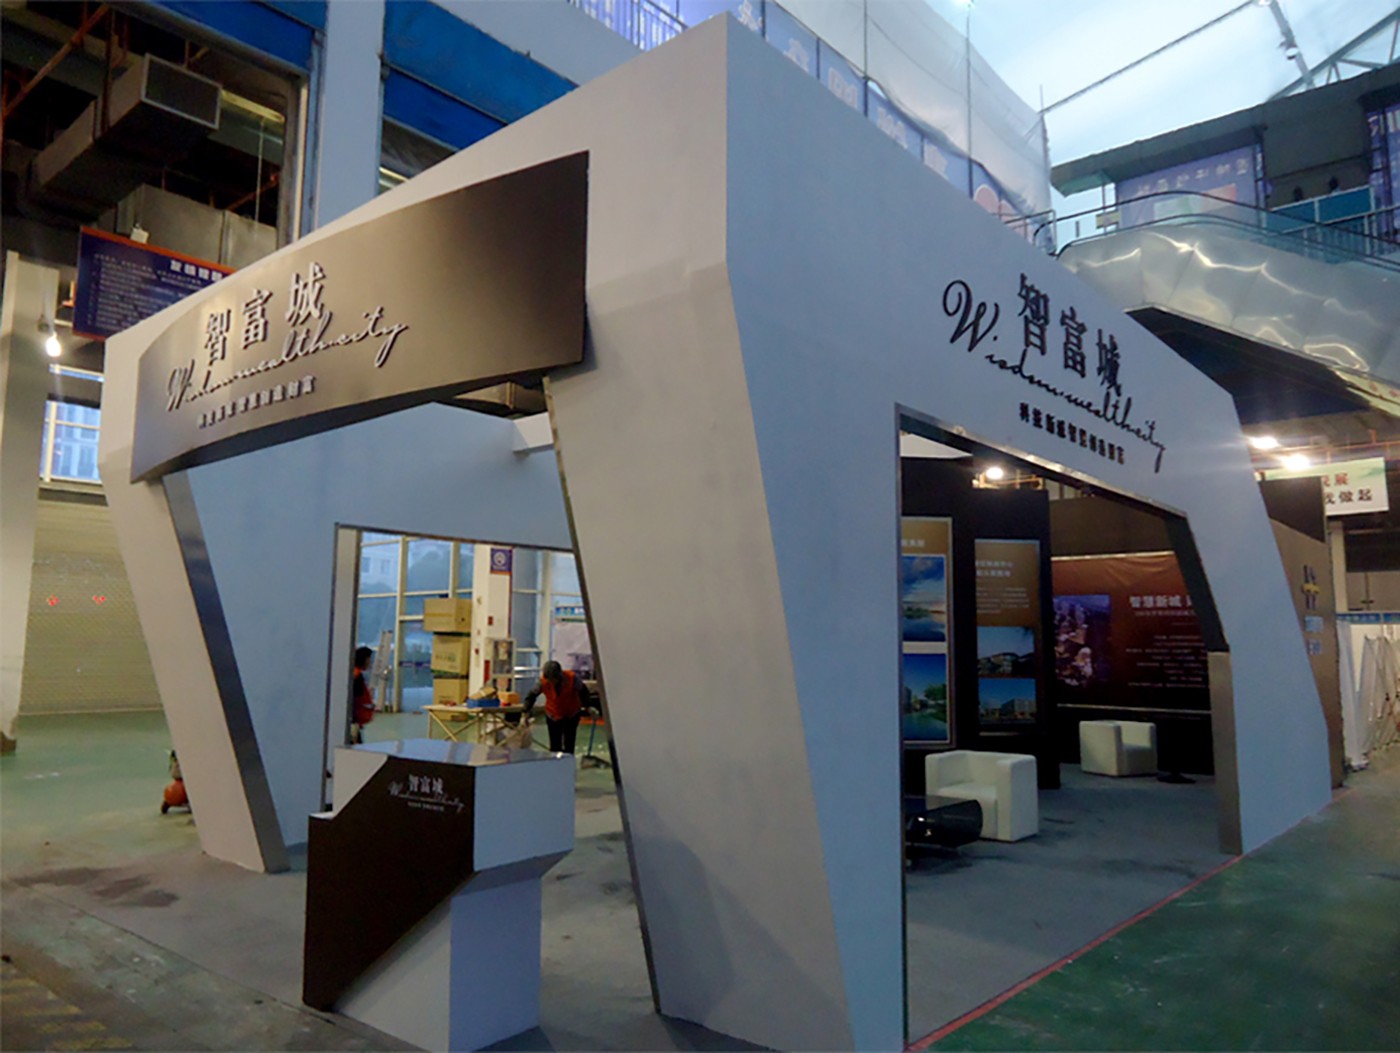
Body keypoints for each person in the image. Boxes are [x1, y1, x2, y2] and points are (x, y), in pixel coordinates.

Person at [524, 660, 593, 754]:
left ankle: (568, 761)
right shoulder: (543, 682)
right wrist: (526, 711)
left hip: (571, 714)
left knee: (569, 744)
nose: (550, 682)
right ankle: (555, 761)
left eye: (552, 679)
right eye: (548, 679)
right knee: (555, 746)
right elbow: (531, 696)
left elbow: (583, 691)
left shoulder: (572, 678)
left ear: (558, 676)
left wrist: (588, 706)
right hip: (553, 715)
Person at [351, 646, 375, 744]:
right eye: (368, 660)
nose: (370, 663)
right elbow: (354, 699)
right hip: (355, 720)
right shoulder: (357, 676)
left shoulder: (354, 674)